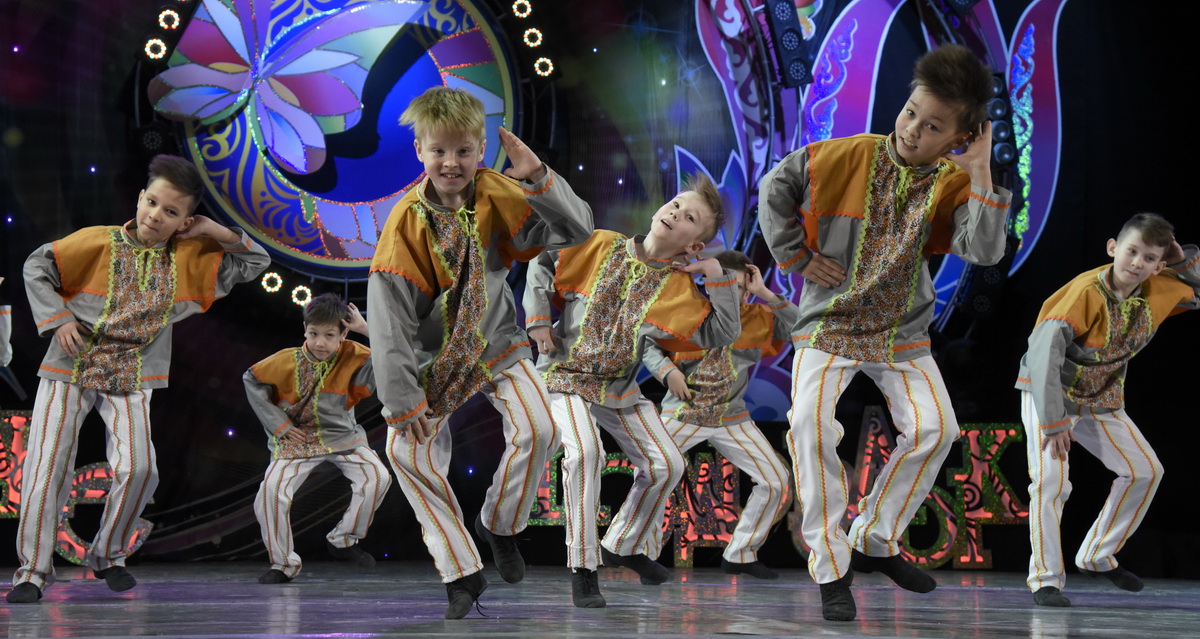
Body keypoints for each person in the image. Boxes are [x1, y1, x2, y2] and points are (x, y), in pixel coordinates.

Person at [758, 44, 1011, 621]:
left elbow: (983, 250)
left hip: (901, 332)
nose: (912, 129)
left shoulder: (955, 180)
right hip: (829, 324)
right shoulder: (844, 156)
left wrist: (979, 170)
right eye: (911, 112)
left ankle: (875, 537)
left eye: (933, 126)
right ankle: (831, 567)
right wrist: (795, 257)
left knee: (936, 430)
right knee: (808, 426)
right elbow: (776, 186)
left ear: (961, 136)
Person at [367, 87, 593, 619]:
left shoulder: (497, 192)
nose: (451, 162)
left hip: (497, 344)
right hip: (437, 361)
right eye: (439, 151)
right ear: (420, 151)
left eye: (463, 151)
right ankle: (461, 571)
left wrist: (537, 177)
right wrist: (401, 399)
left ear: (481, 150)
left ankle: (499, 524)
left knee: (540, 429)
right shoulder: (405, 223)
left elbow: (575, 228)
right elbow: (389, 321)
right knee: (406, 454)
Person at [8, 155, 270, 603]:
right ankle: (32, 571)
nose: (155, 215)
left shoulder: (190, 259)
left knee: (140, 468)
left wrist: (215, 231)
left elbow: (255, 261)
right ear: (139, 198)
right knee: (46, 466)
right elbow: (37, 266)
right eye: (152, 202)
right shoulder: (97, 241)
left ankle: (107, 555)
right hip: (72, 363)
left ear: (185, 221)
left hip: (132, 370)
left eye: (171, 211)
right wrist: (58, 319)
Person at [524, 171, 741, 608]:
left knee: (667, 465)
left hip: (617, 389)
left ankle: (622, 544)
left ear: (694, 246)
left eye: (690, 217)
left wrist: (716, 274)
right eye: (676, 205)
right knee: (586, 453)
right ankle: (583, 568)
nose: (676, 213)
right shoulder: (601, 243)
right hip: (564, 375)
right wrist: (539, 319)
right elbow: (543, 261)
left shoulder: (678, 290)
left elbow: (722, 331)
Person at [1017, 213, 1199, 607]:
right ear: (1113, 248)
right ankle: (1045, 580)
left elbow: (1195, 291)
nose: (1137, 262)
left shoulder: (1156, 289)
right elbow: (1043, 356)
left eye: (1149, 258)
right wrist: (1053, 421)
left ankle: (1097, 555)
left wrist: (1183, 261)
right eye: (1132, 251)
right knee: (1052, 483)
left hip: (1101, 397)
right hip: (1050, 393)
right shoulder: (1084, 293)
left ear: (1158, 266)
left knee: (1145, 471)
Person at [640, 250, 794, 580]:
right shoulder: (687, 312)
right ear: (709, 283)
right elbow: (647, 342)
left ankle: (741, 554)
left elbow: (803, 328)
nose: (733, 293)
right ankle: (641, 555)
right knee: (654, 474)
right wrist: (667, 371)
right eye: (725, 284)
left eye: (739, 287)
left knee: (777, 481)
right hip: (683, 413)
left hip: (731, 418)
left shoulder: (758, 317)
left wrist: (765, 293)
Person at [245, 293, 391, 584]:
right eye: (314, 334)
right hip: (297, 440)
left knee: (378, 477)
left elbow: (393, 355)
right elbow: (251, 379)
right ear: (305, 330)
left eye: (329, 335)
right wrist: (280, 425)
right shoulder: (285, 360)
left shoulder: (356, 355)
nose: (320, 343)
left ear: (343, 334)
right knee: (270, 493)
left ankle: (344, 539)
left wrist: (366, 330)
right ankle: (282, 564)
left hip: (342, 437)